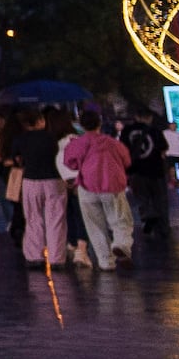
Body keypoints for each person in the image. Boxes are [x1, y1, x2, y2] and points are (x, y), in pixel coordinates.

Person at [60, 115, 135, 270]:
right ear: (99, 124)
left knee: (94, 225)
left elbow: (70, 163)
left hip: (87, 186)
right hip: (112, 184)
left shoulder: (77, 143)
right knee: (120, 219)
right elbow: (127, 160)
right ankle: (121, 244)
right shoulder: (112, 143)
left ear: (81, 125)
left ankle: (106, 261)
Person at [10, 112, 70, 269]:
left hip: (31, 180)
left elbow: (16, 160)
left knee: (33, 218)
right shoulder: (52, 138)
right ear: (40, 121)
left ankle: (35, 256)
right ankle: (57, 258)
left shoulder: (21, 139)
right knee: (56, 219)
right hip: (53, 179)